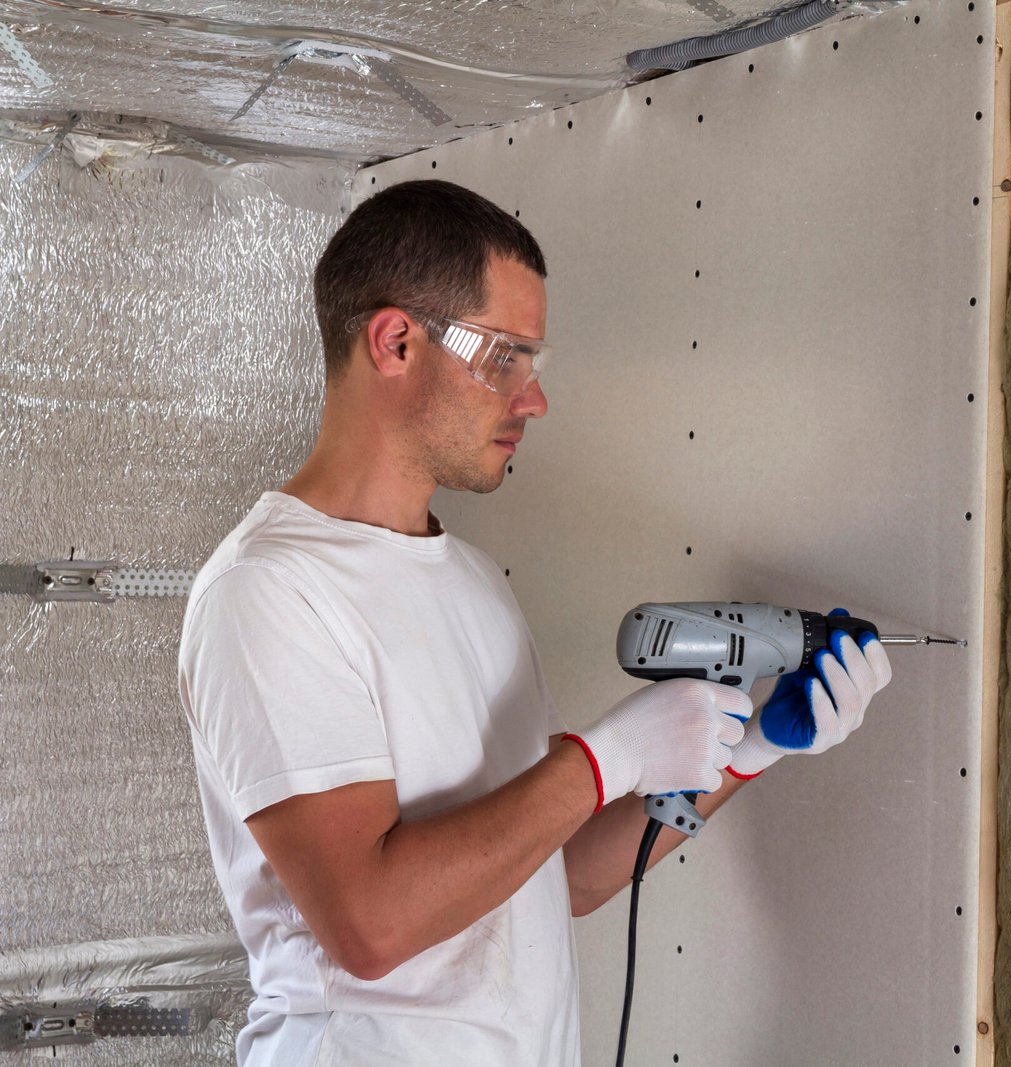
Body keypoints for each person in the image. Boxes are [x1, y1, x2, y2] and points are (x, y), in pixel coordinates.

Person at [177, 179, 892, 1066]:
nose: (533, 399)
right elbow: (370, 923)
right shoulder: (270, 593)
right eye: (504, 357)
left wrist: (745, 752)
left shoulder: (473, 582)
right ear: (395, 341)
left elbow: (558, 879)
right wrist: (602, 759)